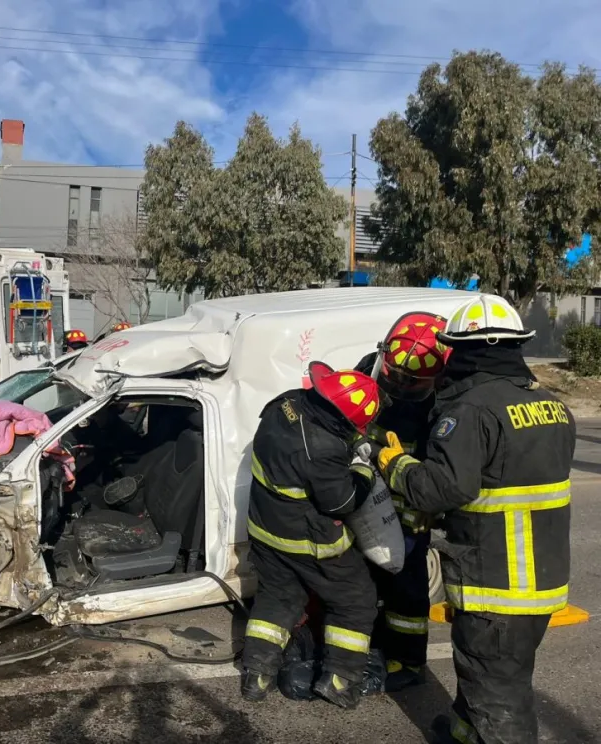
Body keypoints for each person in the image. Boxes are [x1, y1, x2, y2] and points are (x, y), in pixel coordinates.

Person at [376, 295, 575, 744]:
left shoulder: (469, 412)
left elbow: (442, 489)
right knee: (495, 675)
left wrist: (396, 464)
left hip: (495, 583)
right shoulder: (551, 405)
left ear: (462, 351)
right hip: (541, 580)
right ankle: (466, 732)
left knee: (498, 694)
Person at [242, 362, 382, 709]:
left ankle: (256, 676)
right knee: (355, 601)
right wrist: (363, 469)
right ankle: (340, 681)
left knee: (278, 597)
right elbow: (342, 502)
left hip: (264, 529)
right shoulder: (322, 448)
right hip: (307, 541)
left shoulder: (283, 405)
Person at [354, 311, 449, 692]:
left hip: (410, 511)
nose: (403, 385)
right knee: (366, 582)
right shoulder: (370, 369)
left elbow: (440, 470)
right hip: (364, 498)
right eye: (397, 376)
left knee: (407, 591)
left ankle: (409, 661)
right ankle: (373, 647)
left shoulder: (444, 403)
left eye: (414, 382)